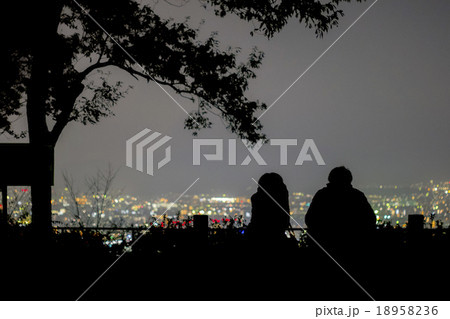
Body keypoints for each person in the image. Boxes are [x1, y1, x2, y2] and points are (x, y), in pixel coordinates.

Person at [305, 166, 376, 252]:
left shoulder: (322, 195)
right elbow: (370, 220)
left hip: (324, 245)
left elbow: (310, 219)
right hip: (353, 246)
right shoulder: (357, 196)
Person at [247, 172, 291, 244]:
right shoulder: (281, 198)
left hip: (256, 236)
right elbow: (285, 221)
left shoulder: (256, 198)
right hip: (277, 236)